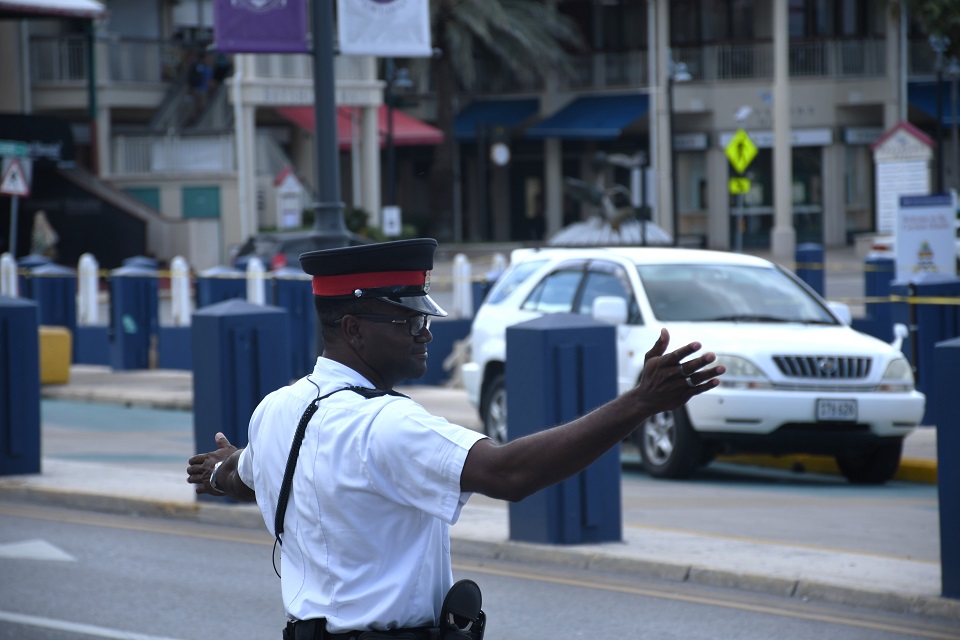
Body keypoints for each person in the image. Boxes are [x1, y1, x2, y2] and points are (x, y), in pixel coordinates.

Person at [186, 238, 724, 639]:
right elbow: (509, 473)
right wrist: (640, 403)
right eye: (407, 320)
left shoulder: (276, 411)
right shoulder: (388, 424)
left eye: (424, 318)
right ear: (353, 330)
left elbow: (246, 474)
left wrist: (216, 471)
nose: (425, 332)